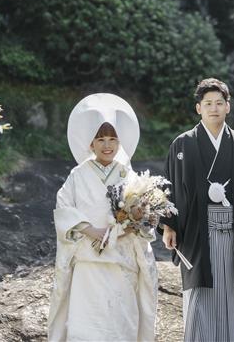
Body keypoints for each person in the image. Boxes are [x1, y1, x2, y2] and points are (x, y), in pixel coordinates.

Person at [159, 78, 234, 342]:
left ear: (228, 107)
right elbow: (170, 187)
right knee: (201, 290)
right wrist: (168, 225)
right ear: (198, 108)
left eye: (219, 103)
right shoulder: (182, 145)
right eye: (208, 103)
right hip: (197, 235)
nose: (214, 108)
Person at [48, 93, 157, 342]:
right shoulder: (78, 174)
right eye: (100, 139)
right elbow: (63, 208)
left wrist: (130, 225)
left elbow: (144, 220)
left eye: (112, 139)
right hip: (89, 262)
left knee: (121, 326)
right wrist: (91, 230)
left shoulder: (129, 176)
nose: (107, 145)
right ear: (91, 143)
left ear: (119, 143)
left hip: (121, 261)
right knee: (85, 326)